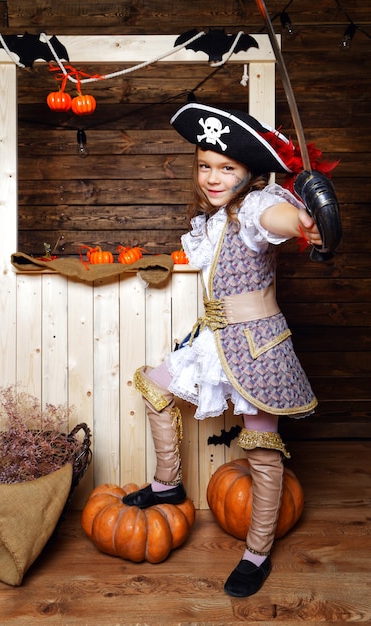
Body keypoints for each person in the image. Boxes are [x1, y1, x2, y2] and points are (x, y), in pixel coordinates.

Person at [122, 102, 323, 597]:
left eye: (226, 168)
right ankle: (168, 482)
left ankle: (256, 553)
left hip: (258, 346)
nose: (212, 178)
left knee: (261, 447)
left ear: (249, 173)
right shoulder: (214, 219)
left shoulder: (257, 206)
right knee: (154, 383)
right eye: (204, 166)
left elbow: (279, 217)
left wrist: (304, 221)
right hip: (215, 338)